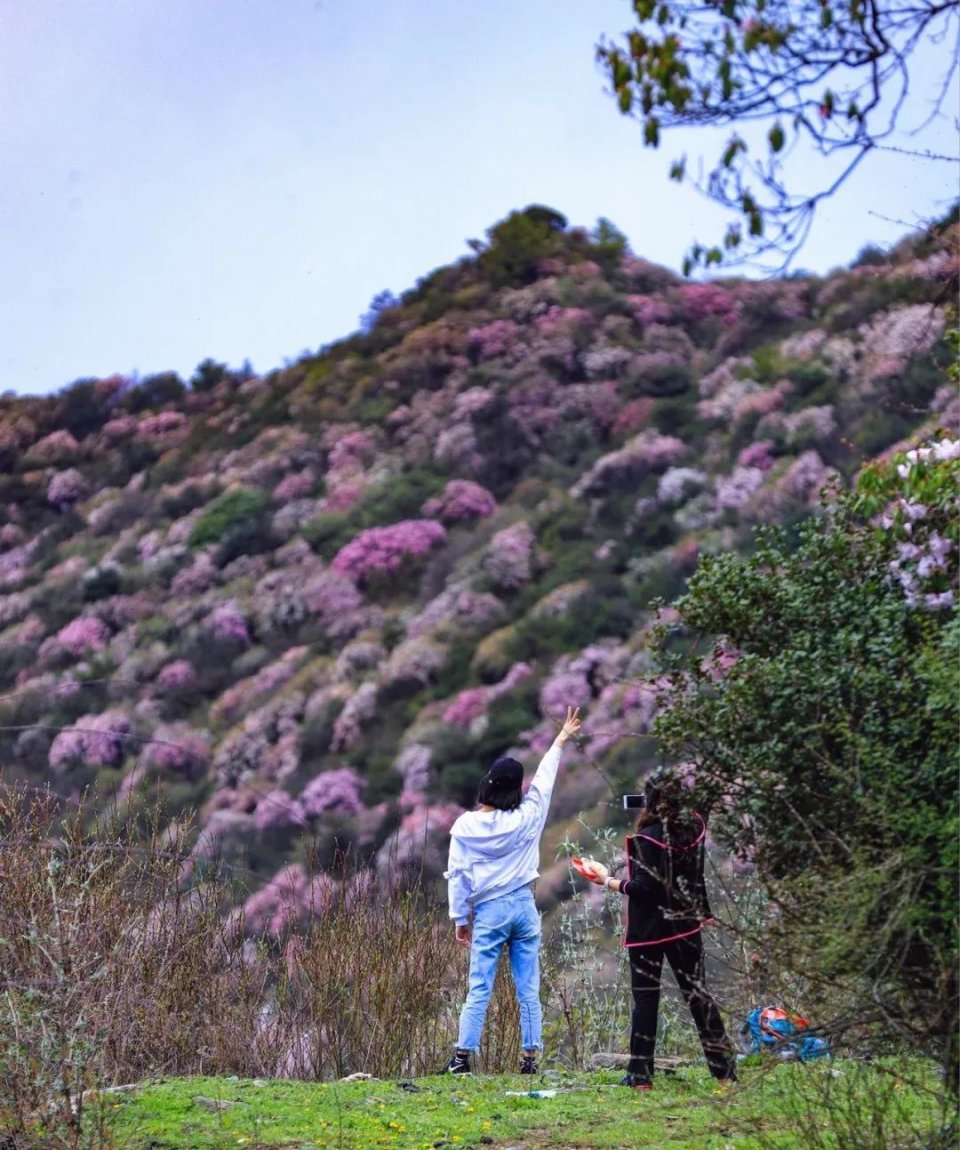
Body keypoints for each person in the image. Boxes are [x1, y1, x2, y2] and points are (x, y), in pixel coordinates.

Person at [441, 705, 582, 1075]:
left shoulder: (466, 826)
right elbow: (545, 780)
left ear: (488, 782)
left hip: (489, 910)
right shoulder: (529, 815)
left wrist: (460, 918)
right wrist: (560, 740)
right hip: (524, 906)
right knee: (528, 988)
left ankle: (461, 1060)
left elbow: (458, 876)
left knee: (480, 987)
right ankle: (530, 1060)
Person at [579, 771, 737, 1091]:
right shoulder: (694, 827)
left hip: (649, 932)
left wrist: (606, 880)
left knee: (646, 1001)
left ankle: (641, 1077)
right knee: (699, 997)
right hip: (685, 926)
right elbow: (697, 807)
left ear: (649, 801)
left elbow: (643, 889)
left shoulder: (647, 838)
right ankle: (724, 1073)